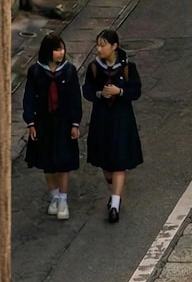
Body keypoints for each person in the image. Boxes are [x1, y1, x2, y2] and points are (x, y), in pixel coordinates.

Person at [83, 29, 143, 223]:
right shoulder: (94, 68)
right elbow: (87, 90)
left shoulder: (127, 67)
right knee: (105, 163)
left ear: (114, 46)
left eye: (103, 45)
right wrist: (100, 94)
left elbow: (136, 90)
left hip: (121, 118)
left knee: (119, 161)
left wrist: (120, 91)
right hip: (101, 118)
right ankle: (113, 190)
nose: (99, 49)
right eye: (98, 45)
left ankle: (115, 204)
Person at [23, 33, 82, 221]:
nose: (61, 53)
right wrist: (30, 122)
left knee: (64, 162)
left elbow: (75, 99)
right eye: (57, 49)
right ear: (48, 51)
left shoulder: (69, 71)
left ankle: (64, 199)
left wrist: (75, 123)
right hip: (43, 122)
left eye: (62, 49)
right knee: (47, 163)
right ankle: (54, 196)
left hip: (63, 122)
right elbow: (28, 98)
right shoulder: (36, 72)